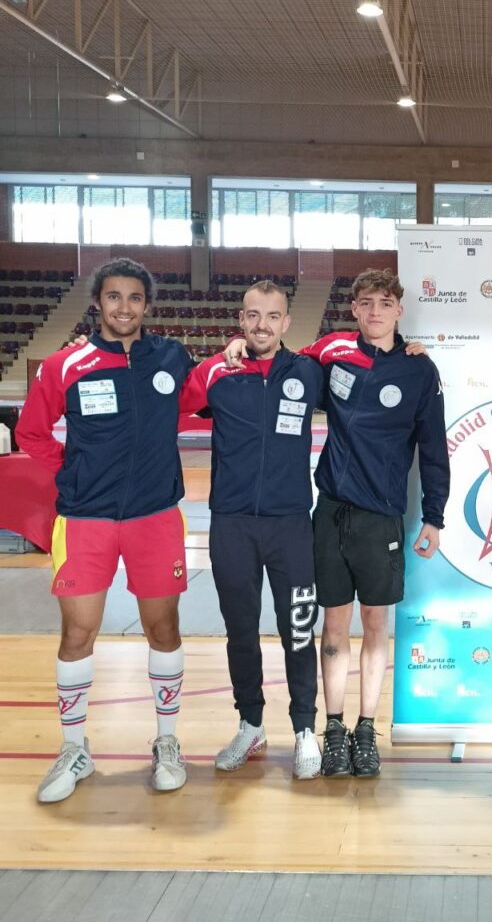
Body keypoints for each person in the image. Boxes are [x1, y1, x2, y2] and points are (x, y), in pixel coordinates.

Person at [226, 268, 449, 779]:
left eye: (385, 303)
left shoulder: (419, 370)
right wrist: (238, 347)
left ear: (399, 311)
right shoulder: (332, 351)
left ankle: (366, 730)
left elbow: (434, 449)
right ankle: (333, 728)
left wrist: (434, 516)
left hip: (382, 516)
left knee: (375, 625)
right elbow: (279, 360)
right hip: (328, 511)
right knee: (332, 625)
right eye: (366, 302)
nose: (375, 312)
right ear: (354, 309)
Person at [17, 258, 194, 802]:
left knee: (163, 629)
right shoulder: (65, 364)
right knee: (77, 634)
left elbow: (199, 400)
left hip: (155, 515)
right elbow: (30, 432)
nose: (124, 307)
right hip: (84, 519)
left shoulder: (171, 357)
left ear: (147, 305)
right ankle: (75, 749)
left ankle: (167, 741)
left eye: (134, 297)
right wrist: (75, 467)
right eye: (114, 296)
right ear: (98, 302)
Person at [179, 280, 325, 779]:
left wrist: (405, 348)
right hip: (233, 525)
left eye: (272, 316)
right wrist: (219, 358)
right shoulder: (219, 373)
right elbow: (169, 403)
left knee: (298, 631)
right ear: (241, 320)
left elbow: (360, 361)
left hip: (290, 525)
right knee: (240, 632)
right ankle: (251, 724)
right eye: (253, 315)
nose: (262, 325)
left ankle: (305, 730)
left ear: (287, 322)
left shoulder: (308, 371)